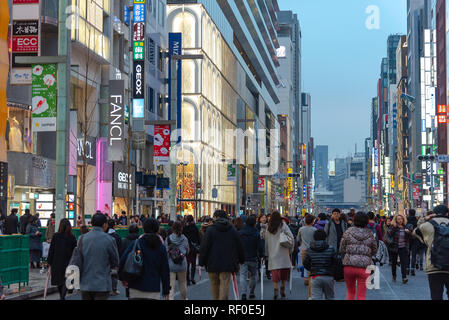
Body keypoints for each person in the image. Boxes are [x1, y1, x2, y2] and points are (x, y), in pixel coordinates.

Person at [119, 218, 170, 300]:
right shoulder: (161, 247)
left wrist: (123, 278)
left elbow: (123, 261)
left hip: (135, 288)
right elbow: (165, 271)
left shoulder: (136, 244)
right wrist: (166, 290)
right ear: (157, 229)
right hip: (153, 289)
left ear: (143, 229)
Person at [199, 210, 245, 300]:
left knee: (214, 285)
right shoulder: (232, 229)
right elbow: (239, 245)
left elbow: (204, 247)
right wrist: (241, 259)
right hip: (227, 263)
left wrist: (202, 261)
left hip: (212, 263)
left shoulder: (210, 230)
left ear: (216, 217)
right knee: (224, 284)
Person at [79, 213, 119, 300]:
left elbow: (78, 259)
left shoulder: (82, 238)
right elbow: (115, 261)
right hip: (102, 283)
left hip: (85, 283)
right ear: (104, 224)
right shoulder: (110, 239)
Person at [413, 205, 449, 300]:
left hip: (433, 265)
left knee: (436, 295)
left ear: (434, 214)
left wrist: (425, 218)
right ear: (447, 213)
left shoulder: (428, 225)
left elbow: (415, 232)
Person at [339, 212, 377, 300]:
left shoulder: (348, 232)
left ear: (354, 220)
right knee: (361, 295)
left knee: (350, 292)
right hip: (364, 267)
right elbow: (374, 249)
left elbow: (341, 248)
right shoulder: (370, 234)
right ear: (366, 222)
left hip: (349, 265)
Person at [265, 211, 294, 300]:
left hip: (273, 253)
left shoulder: (268, 228)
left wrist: (267, 253)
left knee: (275, 274)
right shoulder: (283, 225)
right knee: (284, 273)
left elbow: (266, 242)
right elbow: (291, 237)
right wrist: (290, 250)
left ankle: (275, 290)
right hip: (283, 252)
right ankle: (282, 289)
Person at [47, 218, 77, 300]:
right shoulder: (72, 237)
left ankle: (62, 295)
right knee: (66, 279)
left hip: (57, 261)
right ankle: (64, 294)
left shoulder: (56, 236)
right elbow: (75, 249)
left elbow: (51, 249)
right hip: (68, 261)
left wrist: (49, 261)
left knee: (59, 280)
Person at [303, 229, 337, 300]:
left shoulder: (309, 249)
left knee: (315, 298)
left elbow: (305, 263)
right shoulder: (331, 249)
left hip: (315, 276)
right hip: (328, 276)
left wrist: (312, 269)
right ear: (325, 238)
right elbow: (335, 262)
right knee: (330, 297)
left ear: (314, 238)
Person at [238, 215, 263, 300]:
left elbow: (237, 245)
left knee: (242, 275)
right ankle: (251, 292)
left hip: (243, 257)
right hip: (253, 257)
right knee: (254, 275)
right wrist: (262, 254)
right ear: (254, 223)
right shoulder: (256, 233)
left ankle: (243, 293)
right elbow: (259, 246)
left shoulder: (241, 233)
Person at [165, 221, 189, 300]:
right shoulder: (184, 238)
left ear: (172, 228)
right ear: (181, 228)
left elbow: (165, 252)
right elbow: (187, 250)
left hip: (171, 265)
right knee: (182, 284)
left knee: (171, 286)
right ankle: (183, 298)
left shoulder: (168, 239)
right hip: (182, 264)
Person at [387, 214, 412, 284]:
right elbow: (389, 234)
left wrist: (409, 232)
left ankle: (404, 277)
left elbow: (412, 237)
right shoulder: (393, 227)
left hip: (403, 247)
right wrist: (394, 228)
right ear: (396, 220)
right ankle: (394, 275)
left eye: (401, 219)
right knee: (394, 263)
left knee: (404, 263)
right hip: (394, 247)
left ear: (403, 219)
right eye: (398, 219)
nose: (400, 220)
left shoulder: (405, 227)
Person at [297, 214, 317, 287]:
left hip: (303, 249)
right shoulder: (315, 229)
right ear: (312, 221)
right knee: (312, 264)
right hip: (312, 249)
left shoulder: (301, 229)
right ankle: (311, 278)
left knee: (305, 264)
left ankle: (306, 279)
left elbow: (298, 239)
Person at [183, 215, 201, 285]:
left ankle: (187, 280)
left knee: (187, 264)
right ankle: (192, 278)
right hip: (194, 247)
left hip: (187, 248)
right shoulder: (195, 228)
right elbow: (198, 238)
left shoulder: (185, 228)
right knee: (193, 263)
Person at [107, 219, 122, 296]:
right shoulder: (116, 236)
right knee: (114, 274)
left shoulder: (105, 235)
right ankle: (114, 289)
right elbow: (119, 248)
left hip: (105, 257)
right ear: (114, 226)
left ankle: (107, 289)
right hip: (114, 257)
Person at [257, 213, 270, 280]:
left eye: (265, 217)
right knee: (259, 260)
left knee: (267, 259)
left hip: (267, 244)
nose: (264, 219)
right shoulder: (257, 226)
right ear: (259, 219)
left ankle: (268, 272)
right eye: (262, 217)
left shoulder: (269, 226)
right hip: (259, 244)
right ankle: (259, 274)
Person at [407, 209, 419, 276]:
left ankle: (407, 268)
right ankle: (412, 269)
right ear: (415, 213)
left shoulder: (406, 220)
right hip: (415, 238)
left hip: (407, 239)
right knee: (414, 254)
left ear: (408, 213)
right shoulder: (417, 221)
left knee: (407, 254)